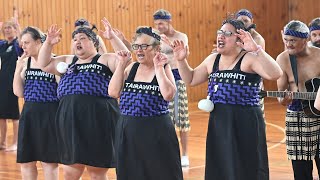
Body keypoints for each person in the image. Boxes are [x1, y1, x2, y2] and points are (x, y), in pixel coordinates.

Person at [175, 17, 282, 179]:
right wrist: (181, 60)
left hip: (246, 120)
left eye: (227, 33)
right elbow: (190, 79)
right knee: (221, 165)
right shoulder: (213, 60)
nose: (221, 36)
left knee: (247, 166)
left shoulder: (249, 58)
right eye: (220, 32)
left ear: (239, 39)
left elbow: (275, 74)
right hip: (220, 121)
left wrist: (257, 50)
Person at [38, 18, 129, 180]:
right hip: (70, 120)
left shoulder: (104, 59)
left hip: (99, 119)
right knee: (70, 171)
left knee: (96, 171)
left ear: (94, 42)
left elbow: (126, 59)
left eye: (82, 39)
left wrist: (113, 38)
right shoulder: (68, 60)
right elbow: (43, 64)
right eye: (74, 39)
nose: (77, 42)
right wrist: (49, 44)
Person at [109, 26, 183, 180]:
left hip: (156, 131)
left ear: (156, 49)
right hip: (128, 131)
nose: (139, 50)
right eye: (136, 46)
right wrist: (121, 65)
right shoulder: (132, 68)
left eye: (144, 46)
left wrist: (158, 68)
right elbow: (113, 92)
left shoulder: (164, 68)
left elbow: (169, 94)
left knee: (160, 173)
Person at [13, 26, 59, 180]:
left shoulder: (55, 61)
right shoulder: (25, 63)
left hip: (50, 115)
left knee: (49, 162)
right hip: (29, 115)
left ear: (39, 42)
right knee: (27, 162)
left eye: (26, 42)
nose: (23, 46)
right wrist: (18, 68)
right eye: (22, 43)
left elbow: (62, 93)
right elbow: (19, 92)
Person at [276, 20, 320, 180]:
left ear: (306, 39)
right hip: (298, 113)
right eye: (286, 40)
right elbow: (281, 94)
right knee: (301, 168)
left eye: (293, 40)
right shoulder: (282, 59)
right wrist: (284, 99)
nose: (288, 44)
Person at [153, 9, 191, 167]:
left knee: (181, 117)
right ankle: (162, 152)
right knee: (161, 117)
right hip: (161, 77)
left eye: (161, 23)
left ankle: (184, 154)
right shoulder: (155, 37)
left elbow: (184, 55)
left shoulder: (180, 37)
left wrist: (168, 44)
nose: (158, 26)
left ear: (169, 21)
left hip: (177, 77)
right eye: (156, 23)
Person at [236, 9, 267, 119]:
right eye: (240, 21)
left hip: (253, 79)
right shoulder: (236, 36)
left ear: (251, 21)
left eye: (246, 20)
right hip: (239, 78)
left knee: (256, 114)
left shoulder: (257, 39)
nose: (243, 23)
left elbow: (252, 58)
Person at [0, 17, 23, 151]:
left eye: (10, 28)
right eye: (5, 28)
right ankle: (1, 143)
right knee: (1, 115)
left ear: (15, 30)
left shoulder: (16, 44)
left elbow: (22, 43)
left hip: (12, 82)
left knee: (14, 114)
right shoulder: (3, 45)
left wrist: (19, 28)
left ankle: (16, 143)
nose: (7, 30)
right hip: (2, 83)